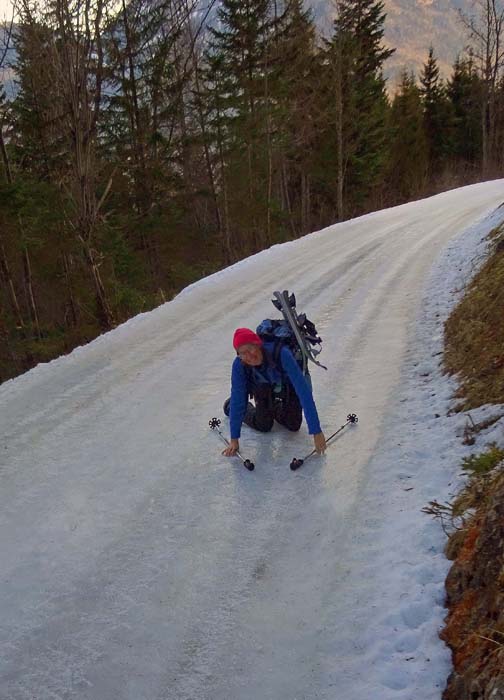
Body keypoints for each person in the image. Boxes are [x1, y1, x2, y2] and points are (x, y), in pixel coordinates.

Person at [222, 327, 326, 457]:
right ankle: (229, 405)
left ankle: (273, 407)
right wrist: (234, 440)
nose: (248, 356)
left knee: (293, 424)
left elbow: (303, 392)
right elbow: (238, 398)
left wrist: (316, 431)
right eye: (242, 353)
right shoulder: (240, 365)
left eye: (250, 349)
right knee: (263, 425)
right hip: (262, 388)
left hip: (286, 385)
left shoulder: (282, 354)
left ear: (258, 344)